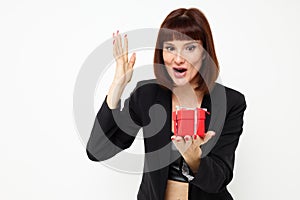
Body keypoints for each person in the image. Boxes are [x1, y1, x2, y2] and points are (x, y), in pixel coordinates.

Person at [86, 8, 247, 200]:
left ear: (205, 52)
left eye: (190, 48)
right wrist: (117, 87)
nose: (178, 59)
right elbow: (97, 151)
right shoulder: (147, 96)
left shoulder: (230, 103)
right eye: (170, 48)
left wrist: (193, 157)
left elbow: (218, 180)